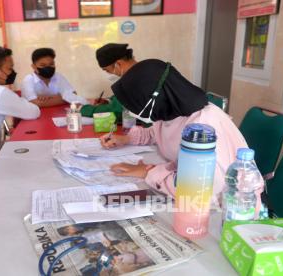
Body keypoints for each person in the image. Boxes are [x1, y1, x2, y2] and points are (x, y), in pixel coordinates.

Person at [96, 43, 247, 199]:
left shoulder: (202, 129)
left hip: (225, 208)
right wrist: (125, 139)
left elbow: (198, 189)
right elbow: (156, 132)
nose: (136, 111)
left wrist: (148, 172)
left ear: (153, 97)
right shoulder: (172, 109)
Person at [21, 48, 88, 107]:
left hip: (56, 114)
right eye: (42, 65)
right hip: (35, 118)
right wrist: (63, 97)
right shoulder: (28, 80)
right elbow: (35, 103)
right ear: (34, 67)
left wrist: (48, 98)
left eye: (51, 64)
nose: (48, 67)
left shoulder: (58, 76)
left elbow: (73, 95)